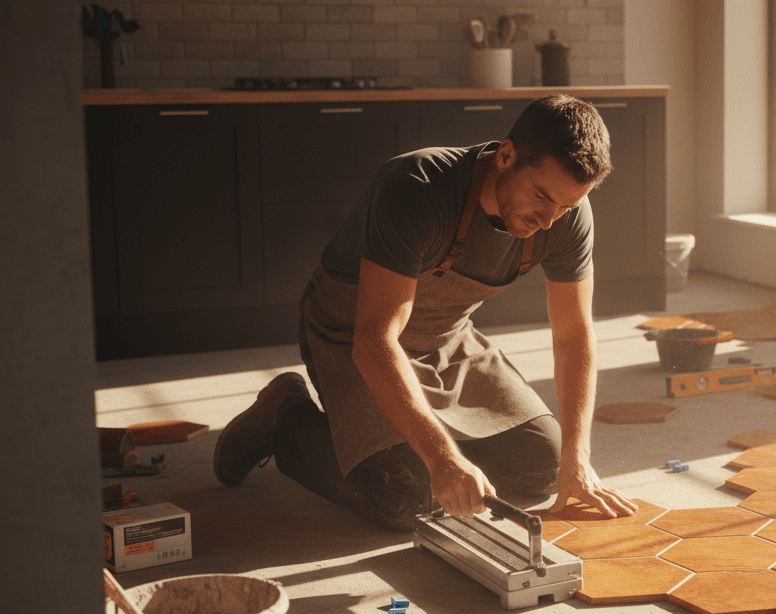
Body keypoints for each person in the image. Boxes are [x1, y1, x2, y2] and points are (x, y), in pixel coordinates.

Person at [213, 94, 637, 529]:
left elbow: (573, 337)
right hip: (351, 330)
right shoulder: (416, 188)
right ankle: (282, 413)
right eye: (541, 197)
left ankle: (416, 440)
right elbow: (376, 339)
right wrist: (442, 458)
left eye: (565, 206)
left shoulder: (566, 216)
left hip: (446, 338)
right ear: (506, 156)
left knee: (543, 465)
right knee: (402, 492)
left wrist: (577, 460)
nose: (549, 220)